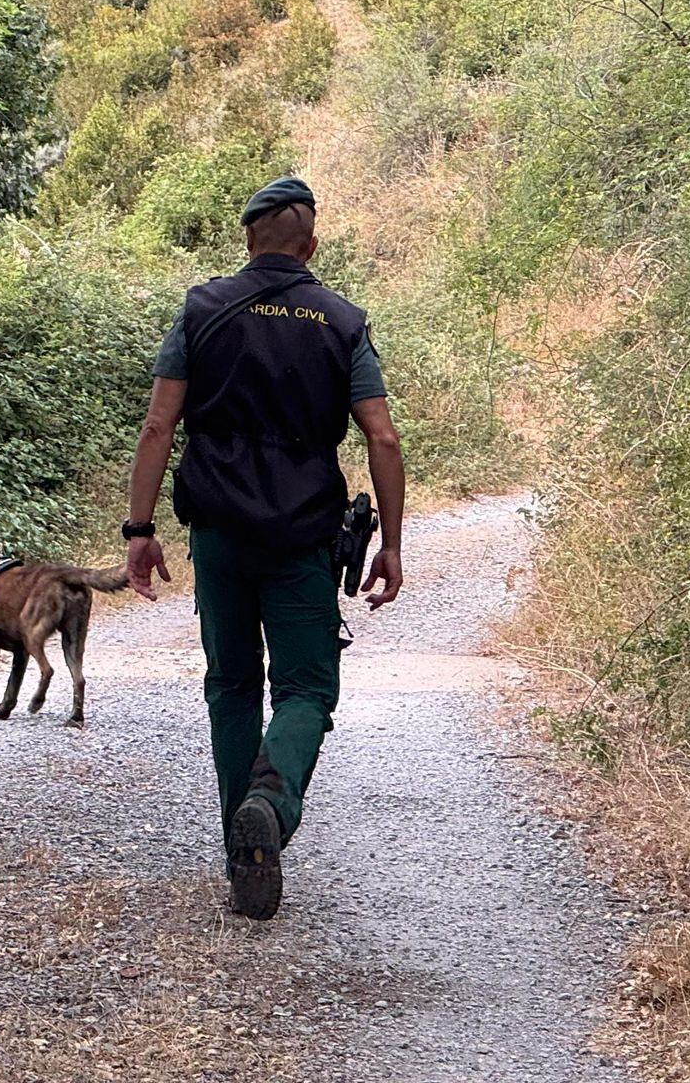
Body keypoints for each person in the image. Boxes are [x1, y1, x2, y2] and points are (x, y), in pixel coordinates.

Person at [119, 176, 405, 920]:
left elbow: (158, 426)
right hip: (304, 530)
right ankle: (271, 812)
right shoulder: (342, 322)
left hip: (218, 528)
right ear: (311, 247)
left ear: (248, 240)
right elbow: (381, 434)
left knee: (233, 684)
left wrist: (140, 531)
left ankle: (240, 850)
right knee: (307, 689)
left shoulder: (202, 310)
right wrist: (394, 547)